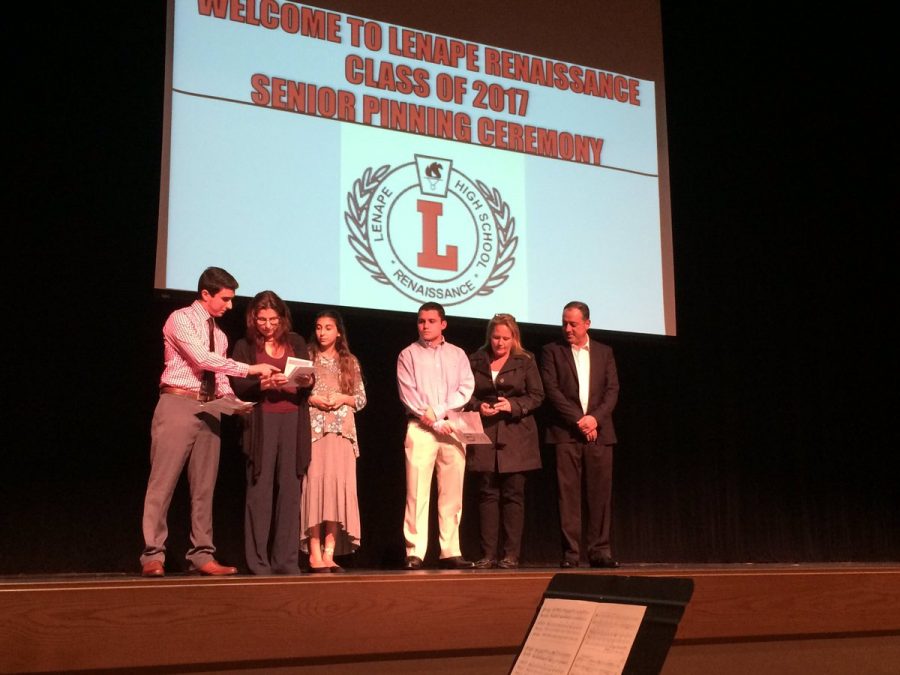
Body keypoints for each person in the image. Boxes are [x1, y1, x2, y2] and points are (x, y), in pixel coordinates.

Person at [140, 267, 279, 577]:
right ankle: (153, 555)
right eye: (225, 299)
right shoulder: (180, 319)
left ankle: (202, 555)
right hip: (178, 403)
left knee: (204, 488)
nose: (230, 306)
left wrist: (235, 404)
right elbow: (201, 359)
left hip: (210, 409)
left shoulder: (221, 334)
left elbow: (220, 379)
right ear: (206, 294)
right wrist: (251, 369)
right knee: (162, 483)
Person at [230, 291, 313, 575]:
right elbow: (237, 385)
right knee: (260, 490)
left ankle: (286, 561)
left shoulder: (296, 342)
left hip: (292, 419)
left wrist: (305, 380)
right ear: (253, 318)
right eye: (262, 319)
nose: (267, 325)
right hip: (262, 422)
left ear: (282, 318)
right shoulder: (244, 345)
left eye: (273, 320)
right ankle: (259, 563)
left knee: (290, 490)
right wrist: (261, 385)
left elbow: (308, 380)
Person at [540, 301, 620, 568]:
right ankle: (571, 554)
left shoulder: (604, 352)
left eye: (573, 323)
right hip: (566, 433)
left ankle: (599, 551)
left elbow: (612, 391)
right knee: (568, 496)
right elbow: (552, 391)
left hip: (600, 432)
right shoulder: (552, 351)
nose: (567, 328)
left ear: (587, 323)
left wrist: (595, 418)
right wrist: (579, 420)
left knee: (599, 495)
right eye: (564, 322)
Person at [397, 302, 475, 569]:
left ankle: (450, 550)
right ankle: (415, 551)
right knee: (417, 491)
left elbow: (466, 388)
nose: (425, 326)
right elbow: (409, 396)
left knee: (452, 493)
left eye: (431, 321)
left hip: (452, 427)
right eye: (421, 321)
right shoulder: (408, 354)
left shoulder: (458, 354)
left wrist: (441, 415)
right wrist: (433, 421)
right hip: (420, 428)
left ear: (443, 324)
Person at [466, 313, 544, 569]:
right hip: (485, 434)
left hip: (517, 436)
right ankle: (487, 554)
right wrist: (479, 406)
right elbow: (465, 393)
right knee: (487, 494)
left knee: (513, 496)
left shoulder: (525, 360)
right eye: (496, 337)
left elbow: (536, 396)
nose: (500, 343)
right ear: (489, 336)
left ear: (514, 338)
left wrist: (514, 405)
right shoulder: (475, 359)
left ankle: (510, 554)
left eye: (505, 338)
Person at [301, 310, 366, 572]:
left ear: (338, 331)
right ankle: (313, 552)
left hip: (342, 432)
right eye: (318, 327)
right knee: (316, 487)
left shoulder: (350, 361)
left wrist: (342, 398)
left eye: (328, 327)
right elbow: (295, 391)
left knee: (337, 490)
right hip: (315, 431)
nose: (322, 332)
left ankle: (329, 553)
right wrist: (311, 399)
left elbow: (361, 399)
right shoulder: (306, 357)